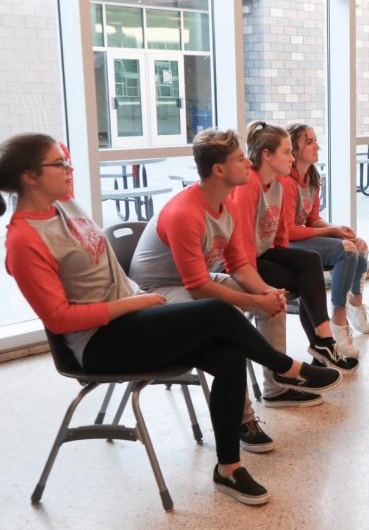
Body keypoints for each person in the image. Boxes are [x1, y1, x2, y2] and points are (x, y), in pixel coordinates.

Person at [0, 133, 339, 506]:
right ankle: (285, 367)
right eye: (59, 164)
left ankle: (228, 468)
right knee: (216, 310)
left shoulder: (64, 205)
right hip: (99, 343)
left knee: (228, 358)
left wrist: (136, 303)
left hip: (134, 317)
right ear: (30, 176)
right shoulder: (23, 241)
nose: (69, 169)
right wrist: (134, 304)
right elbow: (60, 319)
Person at [129, 129, 341, 455]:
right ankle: (244, 418)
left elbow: (239, 263)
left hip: (195, 280)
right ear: (218, 170)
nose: (248, 163)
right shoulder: (185, 213)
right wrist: (252, 299)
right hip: (157, 291)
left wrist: (267, 294)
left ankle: (276, 387)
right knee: (227, 317)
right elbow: (198, 288)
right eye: (241, 159)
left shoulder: (225, 204)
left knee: (274, 298)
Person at [232, 121, 360, 369]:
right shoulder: (249, 186)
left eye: (292, 151)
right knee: (307, 278)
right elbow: (239, 246)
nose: (291, 158)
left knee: (310, 261)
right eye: (287, 152)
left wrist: (295, 260)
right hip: (243, 262)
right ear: (267, 156)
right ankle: (322, 346)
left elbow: (280, 239)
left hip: (264, 253)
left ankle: (323, 343)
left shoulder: (278, 184)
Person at [279, 123, 369, 341]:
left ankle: (354, 304)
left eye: (315, 141)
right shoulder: (285, 183)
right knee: (347, 250)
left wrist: (336, 230)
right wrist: (331, 232)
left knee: (359, 245)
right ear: (294, 150)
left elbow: (312, 219)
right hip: (287, 244)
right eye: (309, 142)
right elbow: (289, 231)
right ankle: (338, 321)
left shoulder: (312, 176)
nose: (317, 146)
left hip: (301, 236)